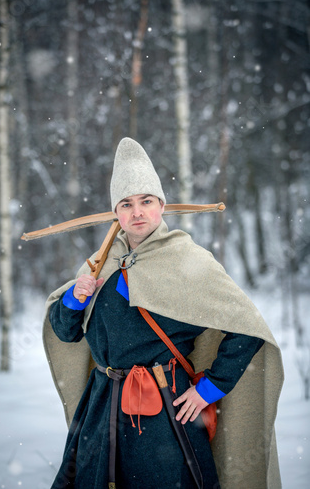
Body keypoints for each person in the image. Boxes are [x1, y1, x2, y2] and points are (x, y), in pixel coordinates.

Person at [43, 137, 283, 489]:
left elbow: (247, 327)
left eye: (146, 201)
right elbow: (67, 333)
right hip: (102, 410)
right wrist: (73, 301)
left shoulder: (189, 261)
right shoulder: (100, 264)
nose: (137, 211)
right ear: (116, 213)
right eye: (126, 204)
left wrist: (211, 388)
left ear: (162, 205)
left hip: (167, 416)